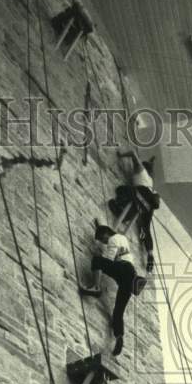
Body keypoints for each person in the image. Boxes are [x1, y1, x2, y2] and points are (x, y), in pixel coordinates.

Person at [79, 225, 147, 357]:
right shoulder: (122, 239)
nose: (103, 242)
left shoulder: (113, 239)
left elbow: (108, 259)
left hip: (123, 270)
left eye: (102, 239)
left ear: (106, 234)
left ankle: (96, 288)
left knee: (97, 260)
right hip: (129, 275)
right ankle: (119, 338)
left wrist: (100, 254)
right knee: (118, 312)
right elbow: (116, 256)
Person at [111, 150, 159, 263]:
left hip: (139, 196)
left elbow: (133, 153)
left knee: (121, 190)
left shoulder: (141, 170)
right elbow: (151, 171)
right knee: (146, 229)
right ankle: (150, 254)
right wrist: (152, 161)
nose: (133, 170)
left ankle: (118, 213)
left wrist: (120, 154)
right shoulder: (150, 181)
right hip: (148, 206)